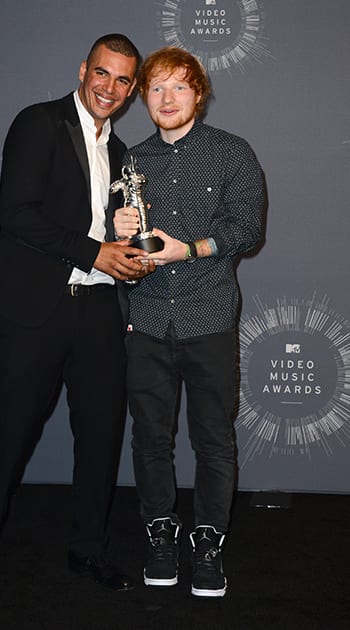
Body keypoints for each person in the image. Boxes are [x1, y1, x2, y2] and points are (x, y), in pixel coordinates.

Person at [0, 33, 155, 607]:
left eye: (123, 80)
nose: (110, 88)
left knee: (101, 436)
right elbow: (16, 216)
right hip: (37, 309)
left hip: (99, 313)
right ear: (84, 69)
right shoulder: (38, 123)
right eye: (102, 73)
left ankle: (88, 548)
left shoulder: (123, 153)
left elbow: (110, 232)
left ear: (133, 89)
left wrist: (126, 255)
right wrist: (95, 253)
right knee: (8, 434)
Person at [114, 47, 265, 598]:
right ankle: (159, 535)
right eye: (156, 88)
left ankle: (208, 544)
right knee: (150, 439)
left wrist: (192, 249)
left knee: (212, 441)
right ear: (143, 96)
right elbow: (119, 253)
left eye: (179, 87)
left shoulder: (232, 153)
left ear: (198, 94)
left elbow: (247, 228)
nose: (167, 98)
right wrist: (120, 228)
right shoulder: (130, 160)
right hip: (148, 322)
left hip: (208, 320)